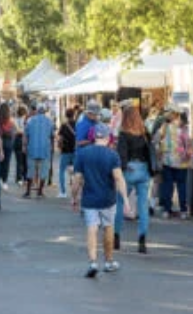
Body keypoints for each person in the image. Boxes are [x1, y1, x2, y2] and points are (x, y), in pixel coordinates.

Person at [71, 119, 130, 278]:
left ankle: (93, 262)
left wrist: (74, 197)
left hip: (89, 199)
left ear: (92, 137)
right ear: (108, 138)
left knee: (92, 228)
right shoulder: (112, 155)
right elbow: (119, 178)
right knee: (108, 228)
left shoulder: (82, 154)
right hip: (108, 199)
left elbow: (77, 179)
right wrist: (125, 199)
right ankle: (109, 262)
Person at [115, 104, 153, 254]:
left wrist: (122, 168)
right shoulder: (144, 133)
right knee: (143, 206)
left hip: (129, 169)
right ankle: (142, 239)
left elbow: (121, 154)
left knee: (119, 202)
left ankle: (116, 236)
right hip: (143, 169)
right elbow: (150, 152)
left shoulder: (124, 134)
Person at [155, 105, 193, 218]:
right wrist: (191, 159)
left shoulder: (165, 127)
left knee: (168, 185)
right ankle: (183, 211)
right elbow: (189, 144)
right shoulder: (184, 128)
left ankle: (167, 210)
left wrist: (159, 150)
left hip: (168, 161)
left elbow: (156, 139)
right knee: (182, 186)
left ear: (174, 115)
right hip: (182, 162)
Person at [23, 103, 54, 199]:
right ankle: (40, 192)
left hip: (32, 148)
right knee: (44, 171)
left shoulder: (30, 120)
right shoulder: (49, 121)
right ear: (44, 111)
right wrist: (52, 147)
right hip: (45, 149)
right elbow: (52, 136)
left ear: (37, 110)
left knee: (30, 170)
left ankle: (28, 192)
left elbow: (25, 135)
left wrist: (24, 146)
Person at [57, 108, 77, 199]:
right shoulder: (78, 124)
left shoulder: (64, 125)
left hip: (65, 150)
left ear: (66, 115)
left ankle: (63, 192)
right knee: (77, 171)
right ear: (74, 115)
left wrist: (59, 147)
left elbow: (60, 138)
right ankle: (76, 191)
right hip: (75, 150)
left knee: (62, 171)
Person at [0, 102, 16, 190]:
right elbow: (15, 131)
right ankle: (4, 181)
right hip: (8, 143)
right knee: (6, 163)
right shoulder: (11, 121)